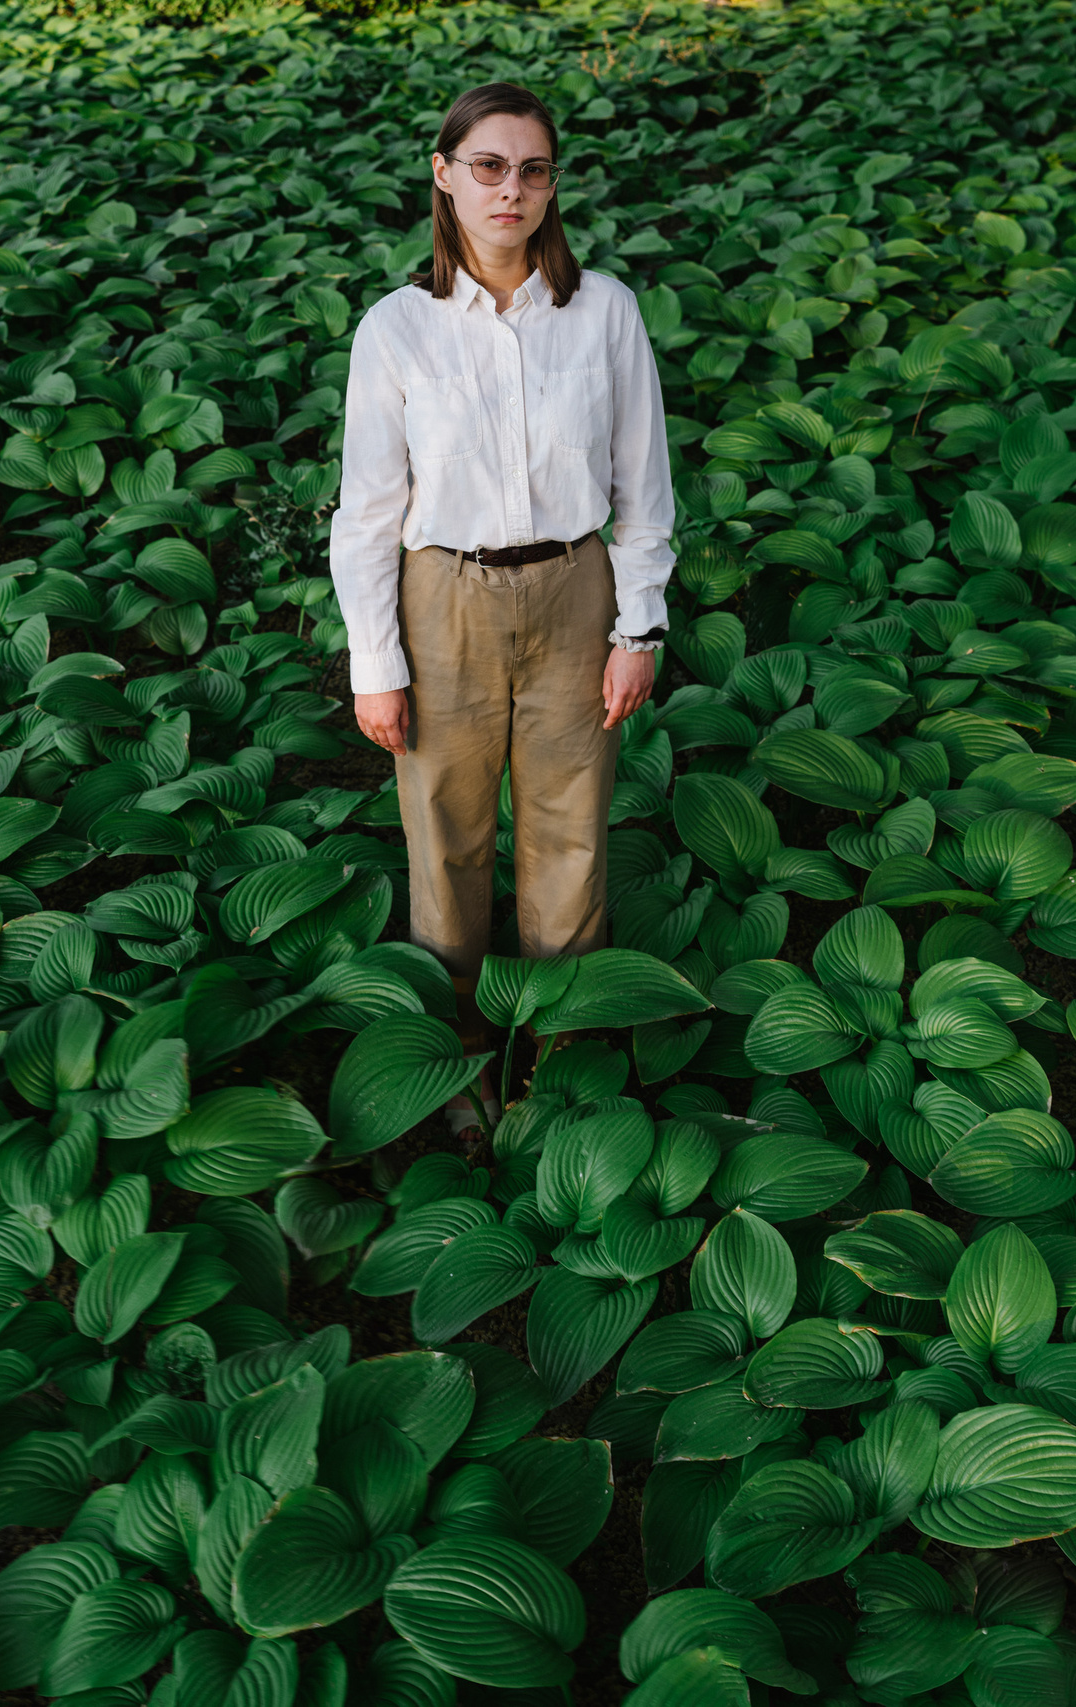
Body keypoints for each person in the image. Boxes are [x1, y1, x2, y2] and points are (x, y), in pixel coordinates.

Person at [327, 81, 678, 1133]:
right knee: (446, 833)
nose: (509, 189)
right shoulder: (397, 330)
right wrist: (374, 662)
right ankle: (459, 1055)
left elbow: (644, 487)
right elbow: (366, 511)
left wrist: (639, 625)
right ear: (444, 175)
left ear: (551, 185)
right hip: (445, 597)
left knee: (571, 829)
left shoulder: (603, 311)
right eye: (487, 166)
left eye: (530, 169)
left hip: (577, 590)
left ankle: (561, 1054)